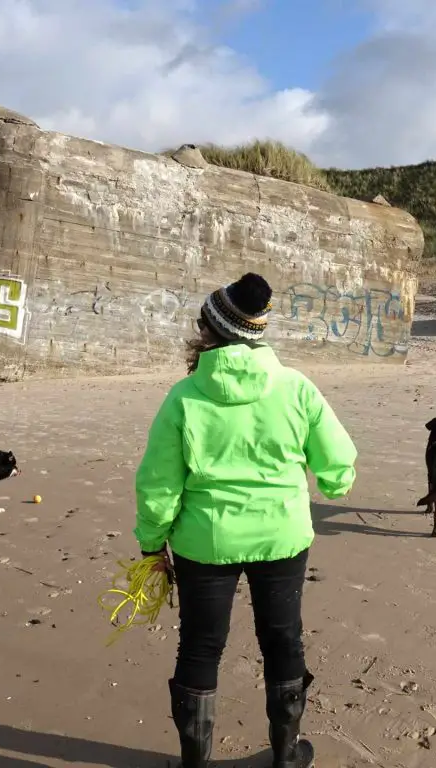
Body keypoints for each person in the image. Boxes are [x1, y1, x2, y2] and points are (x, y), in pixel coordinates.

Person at [134, 272, 358, 768]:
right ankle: (286, 754)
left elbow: (158, 486)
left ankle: (196, 761)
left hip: (204, 542)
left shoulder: (184, 397)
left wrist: (152, 546)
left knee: (200, 646)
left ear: (208, 331)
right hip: (281, 536)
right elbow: (339, 461)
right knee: (282, 639)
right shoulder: (296, 388)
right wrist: (336, 484)